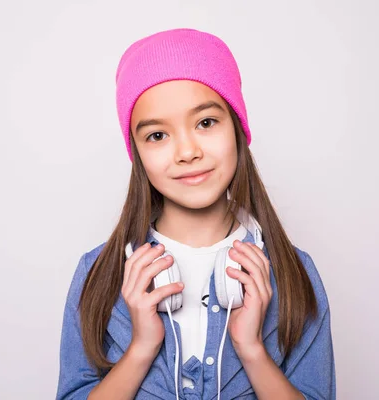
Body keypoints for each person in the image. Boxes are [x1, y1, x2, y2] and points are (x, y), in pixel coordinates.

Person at [56, 28, 335, 400]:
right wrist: (141, 348)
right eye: (157, 135)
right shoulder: (97, 274)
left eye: (205, 122)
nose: (187, 152)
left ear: (237, 129)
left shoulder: (294, 274)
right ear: (137, 152)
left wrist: (251, 349)